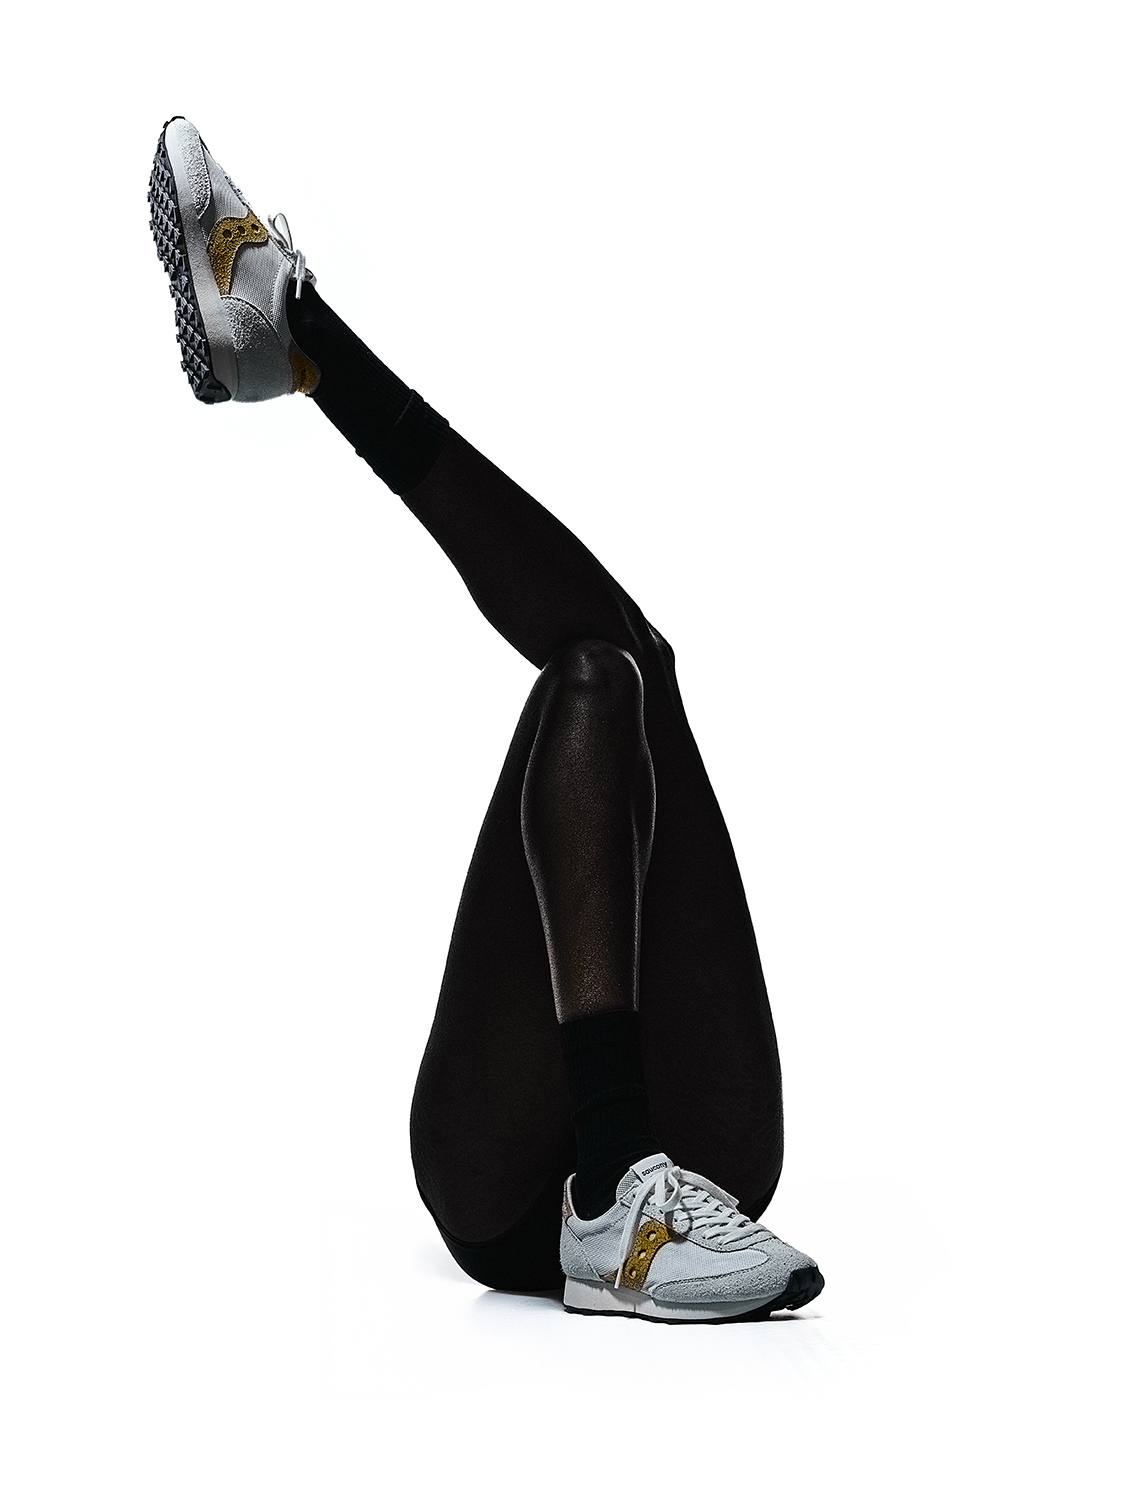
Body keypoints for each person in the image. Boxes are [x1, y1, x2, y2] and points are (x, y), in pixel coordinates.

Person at [149, 116, 824, 1323]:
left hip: (688, 1156)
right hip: (512, 1174)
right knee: (615, 672)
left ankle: (301, 346)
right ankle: (614, 1193)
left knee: (623, 668)